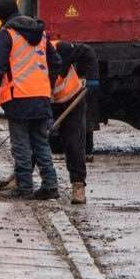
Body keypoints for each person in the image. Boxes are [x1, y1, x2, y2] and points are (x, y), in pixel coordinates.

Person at [0, 0, 61, 199]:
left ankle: (25, 187)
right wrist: (47, 84)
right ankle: (50, 185)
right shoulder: (41, 33)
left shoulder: (7, 33)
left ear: (1, 16)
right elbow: (56, 62)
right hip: (41, 96)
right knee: (41, 143)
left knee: (21, 145)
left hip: (18, 96)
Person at [53, 40, 97, 205]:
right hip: (48, 102)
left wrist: (92, 79)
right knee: (38, 139)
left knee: (73, 142)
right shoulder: (29, 63)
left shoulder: (60, 49)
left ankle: (78, 185)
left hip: (72, 99)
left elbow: (89, 52)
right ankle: (21, 177)